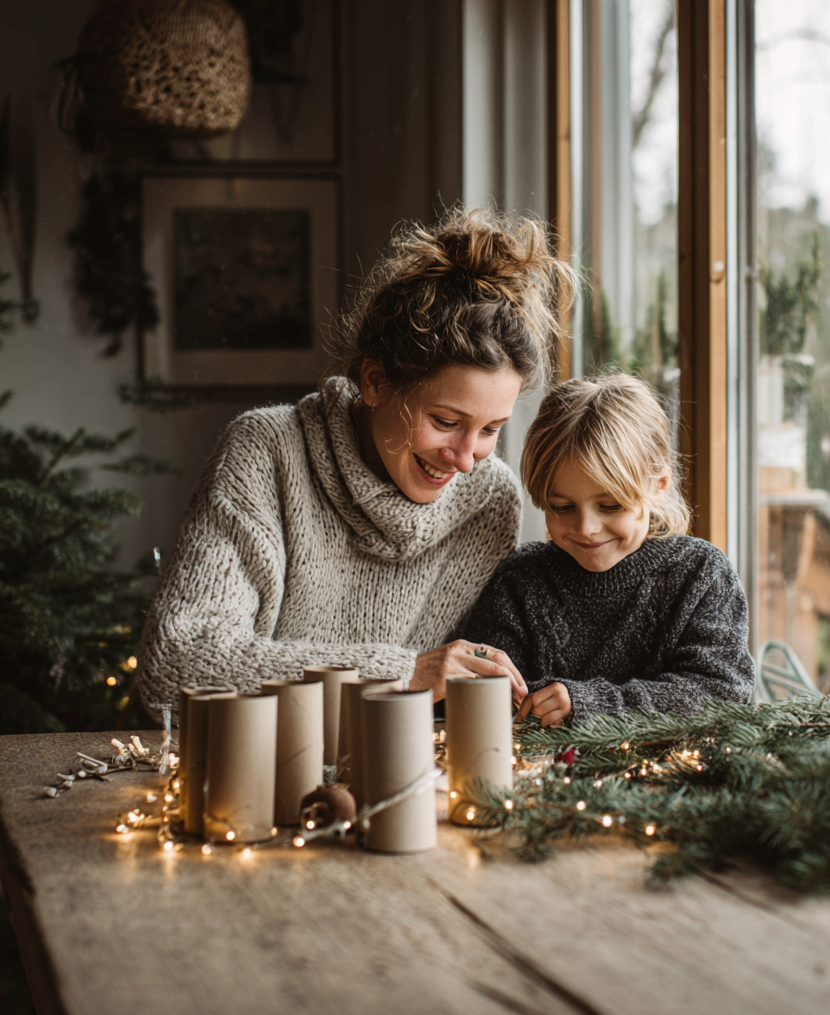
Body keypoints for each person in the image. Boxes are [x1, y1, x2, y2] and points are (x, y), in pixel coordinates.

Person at [137, 208, 576, 717]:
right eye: (445, 420)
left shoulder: (490, 500)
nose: (464, 459)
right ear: (375, 382)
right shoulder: (268, 452)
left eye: (491, 431)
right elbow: (175, 665)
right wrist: (401, 674)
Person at [464, 373, 755, 726]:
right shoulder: (520, 580)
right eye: (562, 507)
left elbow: (723, 693)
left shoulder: (701, 573)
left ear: (658, 486)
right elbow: (484, 691)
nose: (586, 528)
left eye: (611, 506)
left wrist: (590, 703)